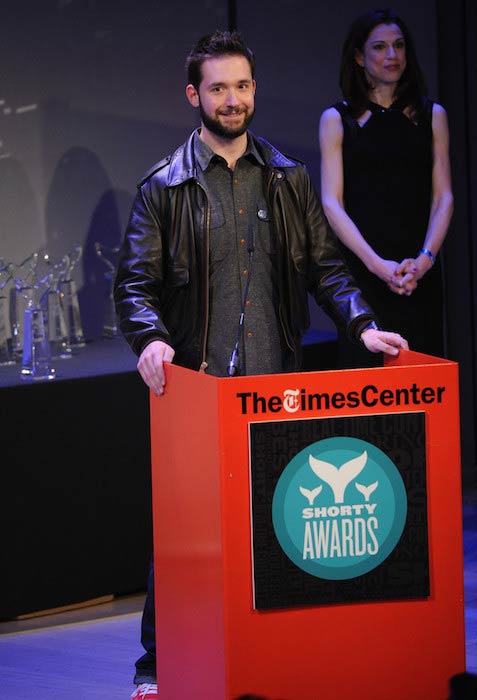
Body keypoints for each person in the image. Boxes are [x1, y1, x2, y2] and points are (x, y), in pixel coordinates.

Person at [114, 30, 408, 700]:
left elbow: (325, 270)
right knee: (183, 541)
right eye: (217, 87)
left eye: (241, 85)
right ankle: (156, 666)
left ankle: (277, 656)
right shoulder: (164, 187)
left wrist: (361, 325)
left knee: (279, 527)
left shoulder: (286, 179)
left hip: (276, 389)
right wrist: (150, 340)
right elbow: (134, 285)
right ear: (194, 95)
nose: (232, 99)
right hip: (197, 389)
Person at [319, 8, 453, 369]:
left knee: (422, 380)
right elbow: (332, 203)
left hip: (417, 271)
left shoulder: (431, 115)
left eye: (398, 46)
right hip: (365, 271)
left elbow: (444, 196)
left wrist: (425, 260)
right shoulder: (338, 119)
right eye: (380, 47)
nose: (392, 56)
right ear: (360, 57)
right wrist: (377, 265)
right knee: (364, 383)